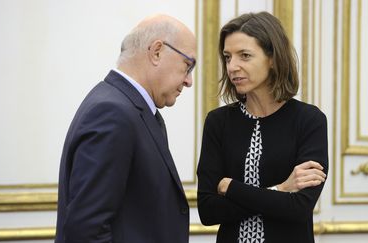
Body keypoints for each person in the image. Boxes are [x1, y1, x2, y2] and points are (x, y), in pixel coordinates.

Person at [55, 14, 196, 243]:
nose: (189, 81)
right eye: (187, 65)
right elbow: (87, 232)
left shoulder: (127, 108)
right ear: (157, 51)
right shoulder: (113, 113)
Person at [197, 11, 328, 243]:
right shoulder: (218, 122)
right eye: (227, 57)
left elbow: (299, 208)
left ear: (273, 59)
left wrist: (231, 188)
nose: (232, 67)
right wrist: (280, 189)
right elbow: (208, 210)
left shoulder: (309, 120)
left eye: (244, 56)